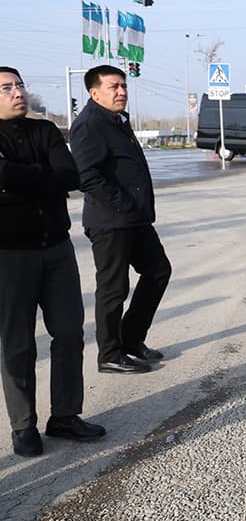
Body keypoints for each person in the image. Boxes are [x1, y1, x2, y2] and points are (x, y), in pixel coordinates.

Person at [0, 67, 106, 456]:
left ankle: (64, 415)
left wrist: (14, 181)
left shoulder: (45, 131)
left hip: (57, 250)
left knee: (69, 333)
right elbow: (48, 178)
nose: (17, 93)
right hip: (10, 255)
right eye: (7, 88)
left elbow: (69, 175)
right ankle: (23, 425)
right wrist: (41, 179)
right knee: (17, 344)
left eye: (20, 85)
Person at [70, 65, 169, 374]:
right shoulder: (89, 125)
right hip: (110, 221)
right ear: (94, 92)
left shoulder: (117, 121)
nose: (121, 92)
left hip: (134, 219)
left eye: (123, 86)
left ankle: (131, 340)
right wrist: (123, 204)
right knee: (113, 288)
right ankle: (110, 354)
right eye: (113, 87)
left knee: (158, 271)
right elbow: (87, 177)